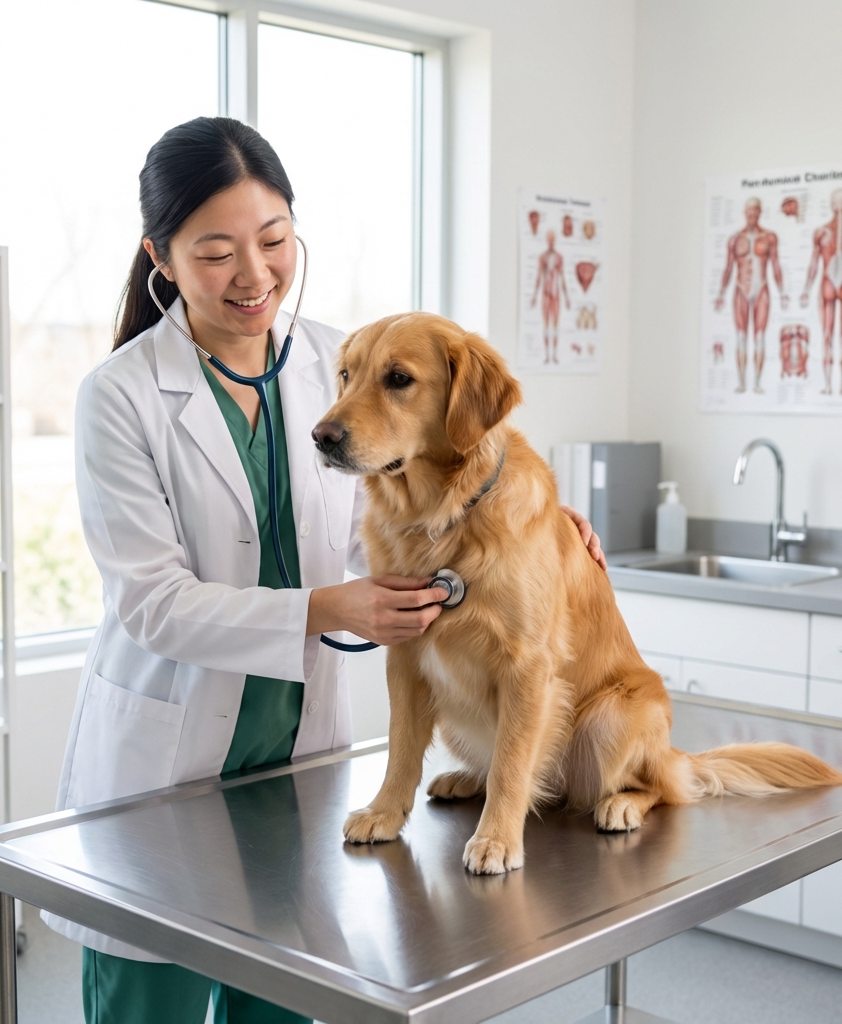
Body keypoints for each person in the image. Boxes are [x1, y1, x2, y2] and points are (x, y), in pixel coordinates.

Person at [43, 116, 606, 1024]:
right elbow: (151, 604)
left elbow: (383, 524)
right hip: (166, 761)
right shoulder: (119, 395)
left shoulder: (337, 363)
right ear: (162, 255)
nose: (255, 275)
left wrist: (525, 521)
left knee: (286, 1001)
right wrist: (328, 607)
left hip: (295, 761)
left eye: (273, 241)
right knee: (155, 1004)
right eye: (217, 251)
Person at [714, 197, 788, 394]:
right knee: (740, 336)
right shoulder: (735, 239)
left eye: (755, 211)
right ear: (744, 213)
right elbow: (728, 268)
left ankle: (756, 382)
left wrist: (782, 293)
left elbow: (775, 265)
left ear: (760, 212)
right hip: (740, 289)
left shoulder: (769, 237)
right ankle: (741, 382)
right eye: (749, 211)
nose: (752, 215)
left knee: (760, 336)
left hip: (762, 288)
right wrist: (721, 293)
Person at [799, 188, 842, 394]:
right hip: (829, 281)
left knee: (829, 335)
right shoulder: (821, 233)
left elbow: (814, 264)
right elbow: (813, 264)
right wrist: (806, 289)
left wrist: (807, 289)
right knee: (831, 334)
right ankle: (830, 385)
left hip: (828, 280)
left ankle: (829, 385)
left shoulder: (822, 232)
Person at [530, 229, 570, 364]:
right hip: (546, 294)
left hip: (556, 295)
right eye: (549, 238)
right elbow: (539, 277)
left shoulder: (559, 258)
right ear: (547, 240)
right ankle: (547, 355)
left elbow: (562, 277)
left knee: (555, 324)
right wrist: (534, 296)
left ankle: (555, 355)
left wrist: (567, 297)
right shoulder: (542, 258)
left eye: (553, 238)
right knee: (546, 324)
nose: (551, 241)